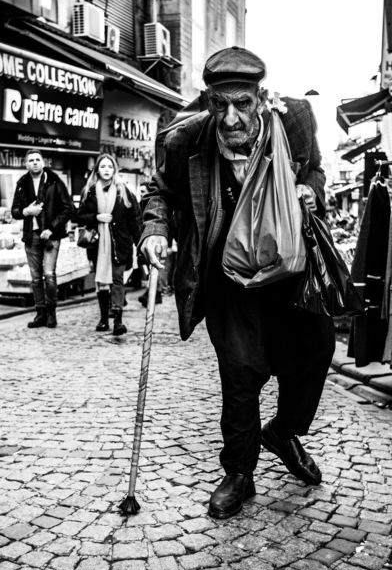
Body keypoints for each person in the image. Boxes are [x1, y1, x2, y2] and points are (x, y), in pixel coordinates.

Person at [139, 46, 333, 519]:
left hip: (288, 270)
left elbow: (315, 171)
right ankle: (239, 473)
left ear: (261, 97)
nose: (229, 118)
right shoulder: (185, 139)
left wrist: (310, 191)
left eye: (241, 104)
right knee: (240, 376)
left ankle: (284, 431)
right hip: (227, 278)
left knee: (316, 348)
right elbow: (158, 193)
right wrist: (155, 231)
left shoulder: (296, 120)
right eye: (219, 104)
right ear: (207, 99)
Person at [75, 153, 142, 336]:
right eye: (103, 166)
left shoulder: (124, 192)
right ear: (97, 170)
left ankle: (118, 320)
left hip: (120, 244)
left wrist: (140, 244)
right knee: (101, 282)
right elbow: (78, 216)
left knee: (117, 280)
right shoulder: (89, 191)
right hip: (98, 246)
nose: (106, 170)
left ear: (114, 170)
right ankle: (104, 319)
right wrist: (96, 218)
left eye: (109, 167)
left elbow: (135, 221)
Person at [10, 149, 73, 329]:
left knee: (49, 275)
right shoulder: (22, 184)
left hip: (50, 236)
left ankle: (52, 314)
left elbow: (68, 208)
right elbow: (14, 211)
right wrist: (26, 211)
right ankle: (40, 313)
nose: (35, 162)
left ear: (43, 163)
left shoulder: (54, 182)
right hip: (32, 236)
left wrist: (52, 228)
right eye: (31, 160)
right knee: (36, 278)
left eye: (38, 159)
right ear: (26, 164)